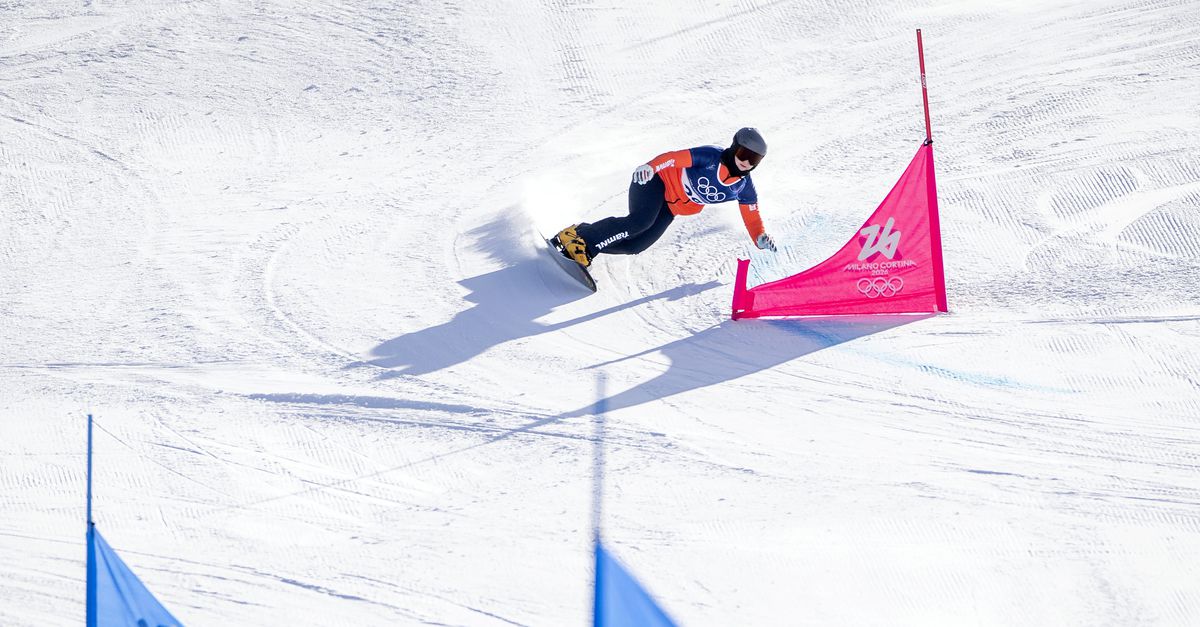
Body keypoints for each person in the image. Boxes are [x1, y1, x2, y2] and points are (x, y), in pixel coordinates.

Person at [554, 127, 777, 268]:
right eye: (744, 154)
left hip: (671, 208)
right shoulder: (710, 156)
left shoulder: (744, 188)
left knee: (636, 245)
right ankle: (584, 243)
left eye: (754, 159)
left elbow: (752, 217)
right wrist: (651, 167)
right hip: (655, 182)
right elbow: (673, 158)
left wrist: (759, 237)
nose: (746, 163)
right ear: (734, 147)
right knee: (640, 222)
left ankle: (579, 234)